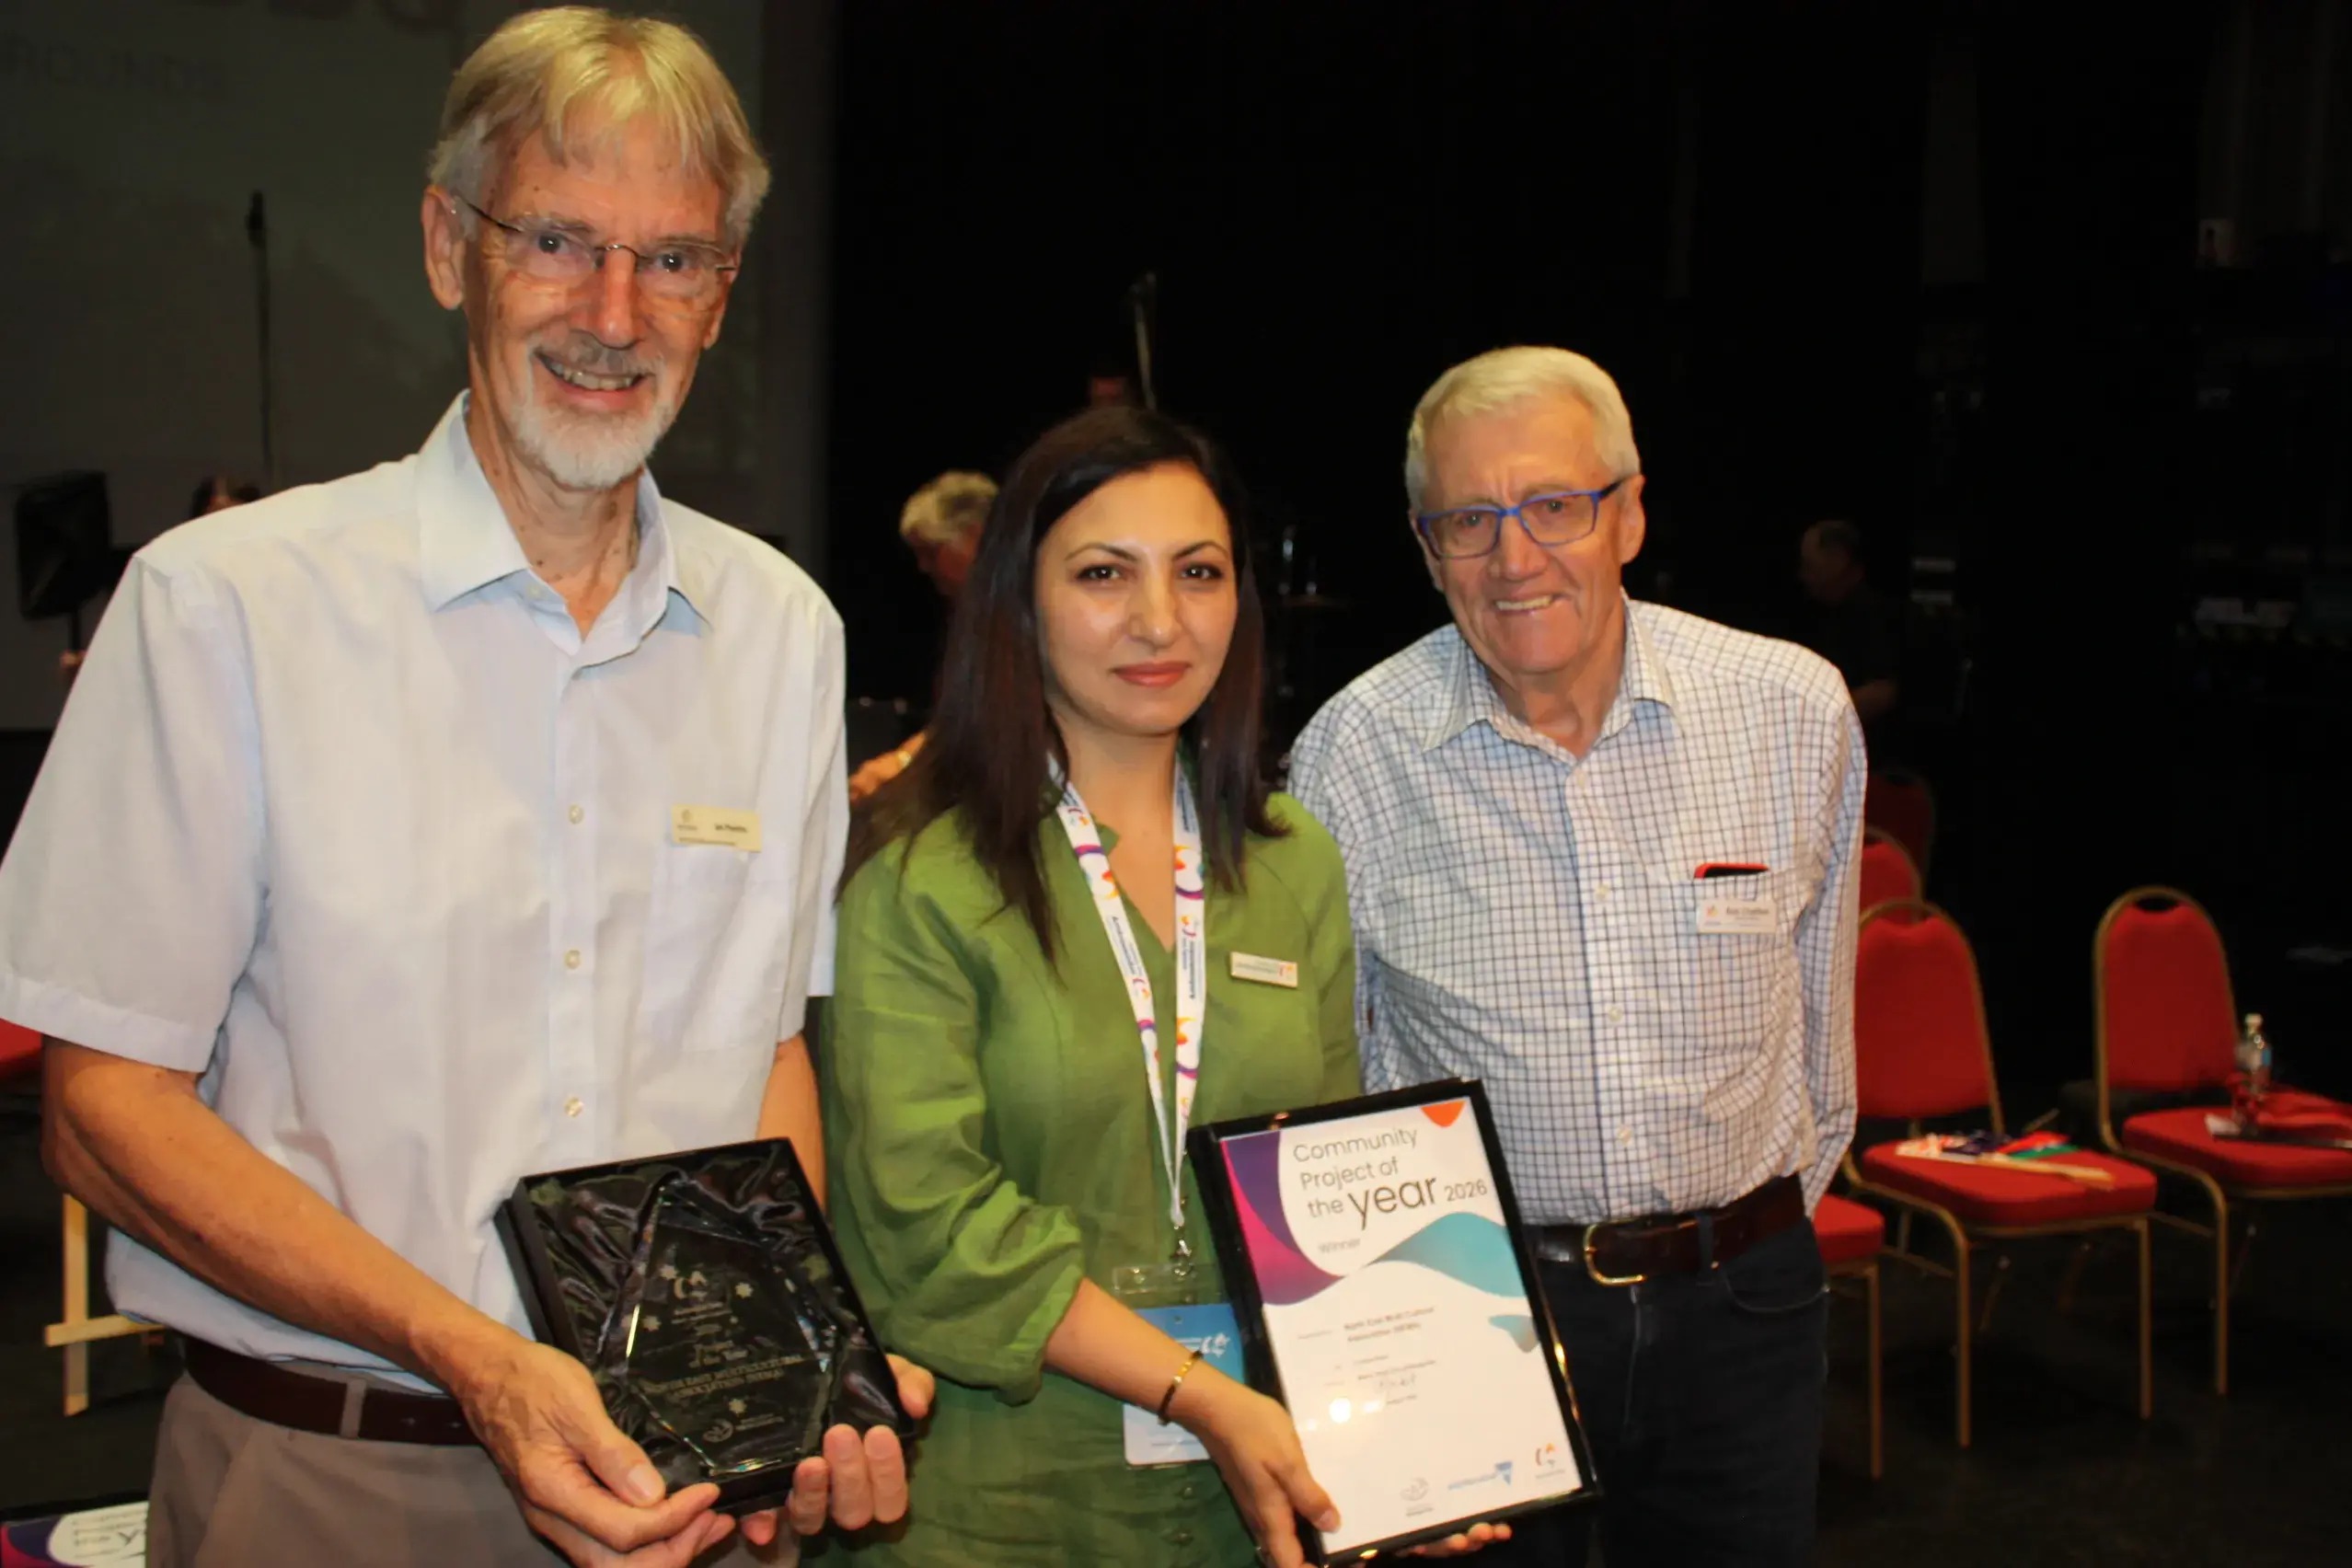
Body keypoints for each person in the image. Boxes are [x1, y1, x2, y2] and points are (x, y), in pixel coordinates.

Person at [0, 11, 927, 1568]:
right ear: (449, 248)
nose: (614, 314)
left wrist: (782, 1379)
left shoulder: (782, 632)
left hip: (677, 1496)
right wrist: (474, 1357)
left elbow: (764, 1048)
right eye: (557, 240)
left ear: (720, 297)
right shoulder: (224, 607)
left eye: (672, 258)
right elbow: (102, 1111)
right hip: (330, 1478)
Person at [821, 406, 1508, 1566]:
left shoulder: (1289, 857)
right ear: (1018, 599)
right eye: (1104, 573)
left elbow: (1331, 1180)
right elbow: (927, 1222)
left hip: (1252, 1500)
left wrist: (1400, 1451)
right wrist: (1198, 1390)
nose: (1159, 620)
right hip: (1003, 1505)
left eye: (1199, 572)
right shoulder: (918, 874)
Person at [1287, 346, 1862, 1568]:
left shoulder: (1793, 711)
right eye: (1469, 521)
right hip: (1473, 1316)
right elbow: (1340, 1079)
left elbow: (1825, 1042)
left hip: (1745, 1307)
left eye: (1555, 505)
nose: (1515, 558)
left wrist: (1746, 1243)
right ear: (1426, 547)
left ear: (1631, 514)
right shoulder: (1354, 752)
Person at [846, 470, 997, 804]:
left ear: (976, 536)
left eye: (931, 551)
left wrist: (903, 761)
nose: (923, 567)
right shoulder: (973, 615)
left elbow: (995, 717)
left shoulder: (1029, 612)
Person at [1795, 517, 1899, 726]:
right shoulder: (1823, 611)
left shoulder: (1870, 613)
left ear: (1838, 561)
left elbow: (1882, 692)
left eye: (1809, 565)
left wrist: (1814, 718)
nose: (1803, 576)